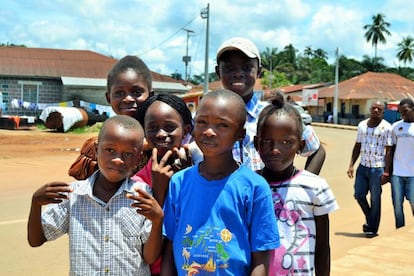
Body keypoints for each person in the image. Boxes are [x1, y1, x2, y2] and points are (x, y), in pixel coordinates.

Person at [161, 90, 280, 275]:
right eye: (202, 122)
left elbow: (262, 257)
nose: (209, 131)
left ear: (240, 134)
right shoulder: (179, 182)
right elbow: (169, 245)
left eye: (222, 125)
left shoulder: (255, 187)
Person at [27, 115, 164, 275]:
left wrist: (157, 220)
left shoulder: (142, 195)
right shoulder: (73, 195)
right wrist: (35, 204)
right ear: (96, 149)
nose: (118, 160)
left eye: (128, 154)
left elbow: (149, 257)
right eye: (110, 150)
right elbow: (36, 240)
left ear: (138, 159)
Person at [215, 36, 326, 174]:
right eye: (229, 68)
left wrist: (304, 186)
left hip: (269, 195)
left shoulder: (274, 113)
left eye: (247, 67)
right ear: (218, 72)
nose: (238, 73)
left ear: (259, 71)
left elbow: (317, 150)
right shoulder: (206, 119)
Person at [254, 96, 338, 275]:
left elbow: (323, 248)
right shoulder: (248, 186)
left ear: (300, 146)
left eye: (286, 142)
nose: (275, 149)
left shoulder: (315, 187)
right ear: (256, 144)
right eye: (267, 141)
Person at [133, 93, 194, 276]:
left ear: (186, 130)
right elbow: (145, 246)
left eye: (169, 127)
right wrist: (159, 193)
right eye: (152, 128)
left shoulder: (201, 172)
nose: (160, 134)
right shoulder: (138, 182)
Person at [68, 55, 154, 180]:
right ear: (109, 98)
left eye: (136, 92)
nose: (128, 99)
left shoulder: (161, 141)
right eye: (119, 93)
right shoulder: (96, 147)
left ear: (150, 95)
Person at [347, 101, 392, 237]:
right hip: (363, 166)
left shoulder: (387, 128)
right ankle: (370, 219)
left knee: (375, 199)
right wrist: (351, 165)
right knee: (359, 194)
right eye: (374, 108)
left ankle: (372, 228)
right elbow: (357, 145)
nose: (376, 110)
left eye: (379, 109)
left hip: (377, 168)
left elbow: (389, 151)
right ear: (370, 109)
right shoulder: (362, 125)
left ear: (383, 111)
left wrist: (386, 171)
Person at [386, 98, 414, 228]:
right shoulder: (396, 127)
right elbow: (390, 150)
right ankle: (400, 229)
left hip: (413, 174)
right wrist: (387, 171)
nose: (403, 114)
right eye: (401, 112)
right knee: (397, 204)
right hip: (397, 173)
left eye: (406, 111)